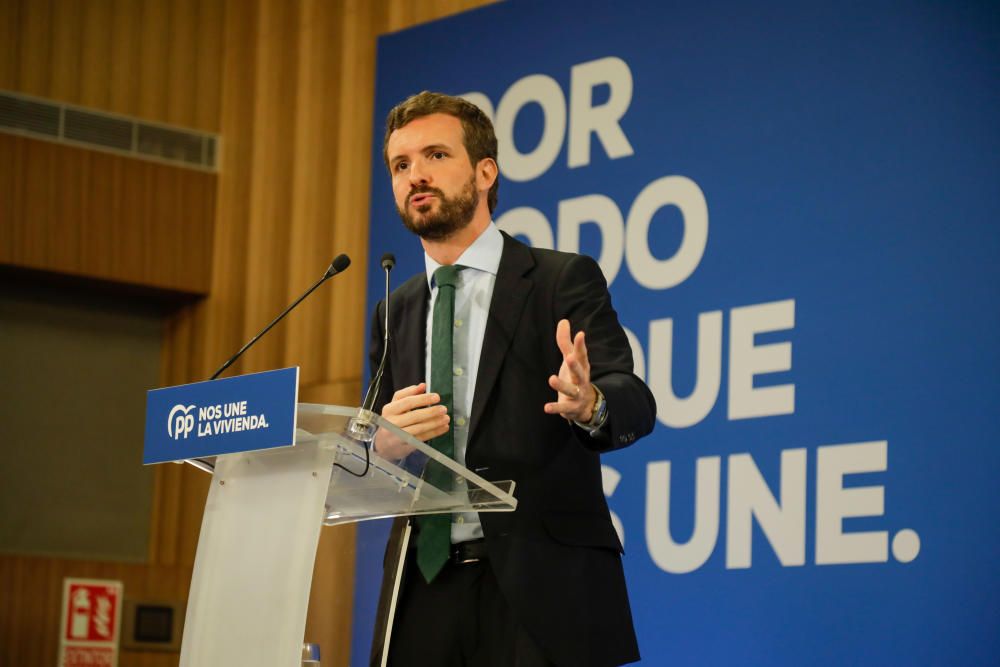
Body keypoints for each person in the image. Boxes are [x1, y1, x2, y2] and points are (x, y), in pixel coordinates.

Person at [367, 91, 657, 667]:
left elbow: (633, 400)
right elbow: (363, 440)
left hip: (538, 587)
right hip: (425, 586)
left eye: (434, 156)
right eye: (401, 166)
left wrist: (589, 402)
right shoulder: (394, 308)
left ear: (484, 171)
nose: (415, 175)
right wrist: (382, 441)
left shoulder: (558, 279)